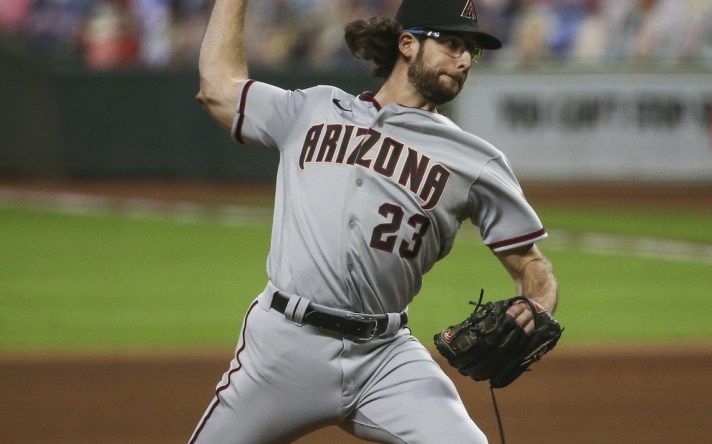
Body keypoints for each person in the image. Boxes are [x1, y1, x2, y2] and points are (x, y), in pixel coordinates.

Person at [189, 0, 559, 442]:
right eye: (453, 43)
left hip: (384, 357)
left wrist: (535, 305)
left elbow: (532, 266)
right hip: (284, 346)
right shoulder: (314, 109)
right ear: (407, 43)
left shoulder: (477, 161)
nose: (464, 60)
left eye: (472, 52)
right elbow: (218, 87)